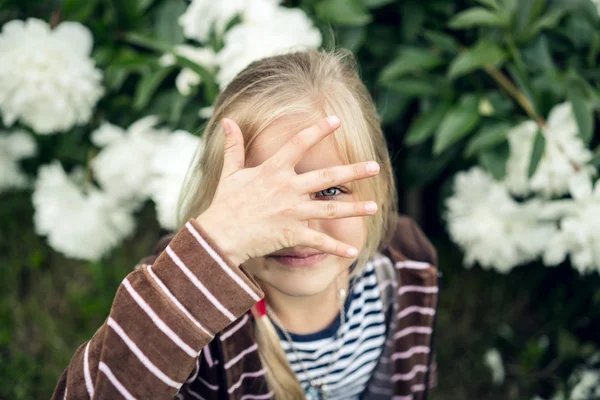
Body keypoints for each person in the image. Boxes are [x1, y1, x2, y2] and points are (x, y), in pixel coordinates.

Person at [52, 50, 439, 400]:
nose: (297, 224)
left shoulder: (408, 269)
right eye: (264, 196)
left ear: (382, 188)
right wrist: (215, 244)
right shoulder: (187, 312)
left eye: (330, 189)